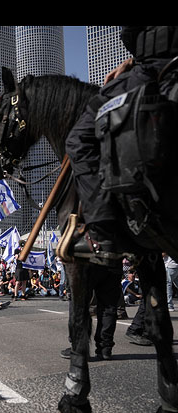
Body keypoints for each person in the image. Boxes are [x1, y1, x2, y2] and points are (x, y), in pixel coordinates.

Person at [65, 26, 178, 266]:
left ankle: (103, 235)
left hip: (152, 68)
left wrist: (137, 62)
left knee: (79, 139)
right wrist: (132, 61)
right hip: (149, 63)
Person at [61, 266, 123, 360]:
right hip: (113, 261)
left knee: (80, 303)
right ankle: (105, 348)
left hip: (87, 262)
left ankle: (79, 347)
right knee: (108, 306)